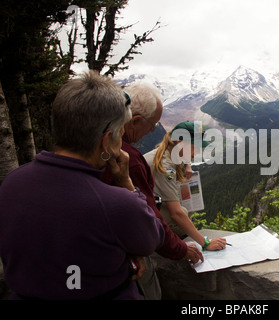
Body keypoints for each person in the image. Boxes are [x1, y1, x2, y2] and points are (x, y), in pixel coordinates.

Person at [0, 71, 165, 300]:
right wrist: (126, 183)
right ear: (106, 141)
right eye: (118, 135)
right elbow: (152, 237)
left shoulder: (12, 183)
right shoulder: (116, 204)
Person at [101, 83, 203, 299]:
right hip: (132, 250)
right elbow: (153, 213)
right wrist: (193, 246)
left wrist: (185, 165)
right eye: (153, 124)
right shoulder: (134, 160)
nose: (152, 130)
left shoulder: (163, 157)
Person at [144, 121, 227, 251]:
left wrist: (187, 164)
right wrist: (205, 243)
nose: (199, 151)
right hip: (143, 222)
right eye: (195, 146)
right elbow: (176, 213)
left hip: (145, 208)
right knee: (182, 211)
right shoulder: (165, 167)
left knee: (187, 206)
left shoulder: (170, 151)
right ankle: (172, 239)